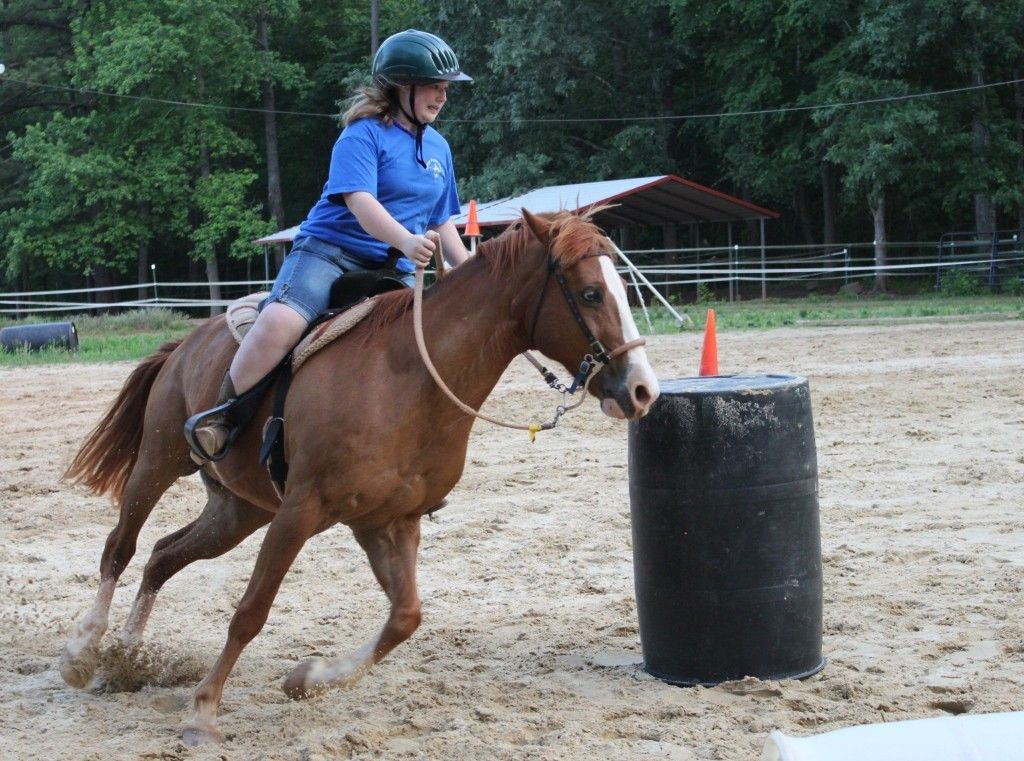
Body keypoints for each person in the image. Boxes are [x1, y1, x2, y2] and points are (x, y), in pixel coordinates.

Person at [187, 29, 472, 464]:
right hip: (329, 252)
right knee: (280, 323)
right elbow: (361, 203)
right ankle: (221, 419)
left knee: (423, 345)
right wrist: (406, 239)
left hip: (388, 268)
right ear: (402, 86)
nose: (443, 96)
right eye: (435, 86)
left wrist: (472, 270)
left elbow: (441, 219)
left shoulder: (439, 148)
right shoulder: (362, 135)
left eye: (446, 87)